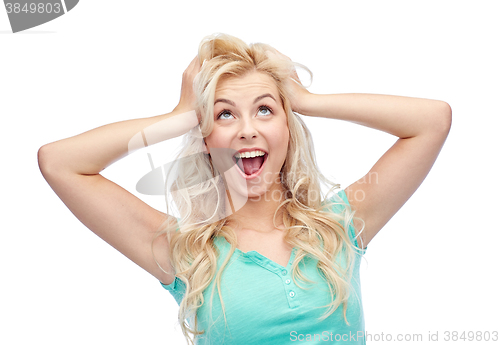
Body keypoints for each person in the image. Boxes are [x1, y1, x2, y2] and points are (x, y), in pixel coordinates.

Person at [38, 33, 452, 344]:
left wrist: (307, 101)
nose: (248, 130)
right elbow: (60, 163)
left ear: (287, 128)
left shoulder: (340, 226)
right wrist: (181, 114)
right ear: (205, 138)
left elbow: (432, 121)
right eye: (225, 114)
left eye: (265, 110)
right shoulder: (186, 254)